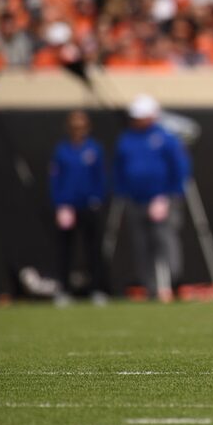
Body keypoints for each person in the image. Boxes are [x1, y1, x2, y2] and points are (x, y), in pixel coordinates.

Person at [114, 94, 191, 301]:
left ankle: (172, 282)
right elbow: (120, 169)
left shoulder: (166, 138)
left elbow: (180, 169)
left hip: (163, 200)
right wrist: (123, 193)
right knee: (142, 245)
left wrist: (167, 195)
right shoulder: (126, 139)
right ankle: (151, 287)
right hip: (136, 200)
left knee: (164, 241)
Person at [48, 110, 108, 305]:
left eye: (81, 126)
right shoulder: (62, 150)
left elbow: (100, 177)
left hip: (88, 206)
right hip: (68, 207)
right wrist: (60, 205)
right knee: (65, 250)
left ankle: (97, 289)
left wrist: (97, 199)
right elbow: (55, 179)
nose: (78, 130)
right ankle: (64, 289)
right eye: (74, 126)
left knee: (93, 250)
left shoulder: (94, 149)